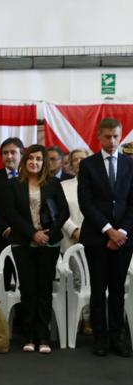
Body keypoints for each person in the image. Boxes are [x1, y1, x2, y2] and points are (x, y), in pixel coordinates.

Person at [77, 118, 133, 357]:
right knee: (98, 289)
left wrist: (122, 232)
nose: (112, 141)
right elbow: (86, 203)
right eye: (108, 136)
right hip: (97, 237)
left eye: (116, 136)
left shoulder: (130, 165)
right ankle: (100, 338)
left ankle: (117, 338)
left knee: (118, 290)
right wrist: (108, 229)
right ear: (99, 136)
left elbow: (131, 203)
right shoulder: (88, 165)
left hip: (124, 238)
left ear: (121, 136)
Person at [7, 144, 69, 354]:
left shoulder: (54, 183)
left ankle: (43, 336)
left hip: (49, 244)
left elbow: (64, 213)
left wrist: (48, 234)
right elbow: (12, 214)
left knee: (44, 289)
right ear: (25, 161)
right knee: (28, 289)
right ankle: (29, 336)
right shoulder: (14, 184)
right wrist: (33, 233)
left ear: (44, 162)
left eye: (39, 159)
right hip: (23, 244)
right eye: (31, 158)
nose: (35, 162)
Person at [0, 137, 24, 297]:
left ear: (22, 154)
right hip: (0, 239)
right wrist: (5, 229)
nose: (9, 157)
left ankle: (22, 321)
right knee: (0, 285)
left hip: (25, 240)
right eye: (5, 153)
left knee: (25, 284)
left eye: (13, 152)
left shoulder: (30, 178)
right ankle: (0, 320)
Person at [60, 147, 92, 335]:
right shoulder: (64, 186)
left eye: (83, 159)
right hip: (70, 240)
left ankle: (89, 319)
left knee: (92, 281)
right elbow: (61, 213)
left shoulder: (98, 184)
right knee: (75, 280)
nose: (79, 162)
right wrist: (74, 231)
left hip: (94, 239)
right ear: (70, 164)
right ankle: (76, 319)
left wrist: (88, 232)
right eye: (75, 160)